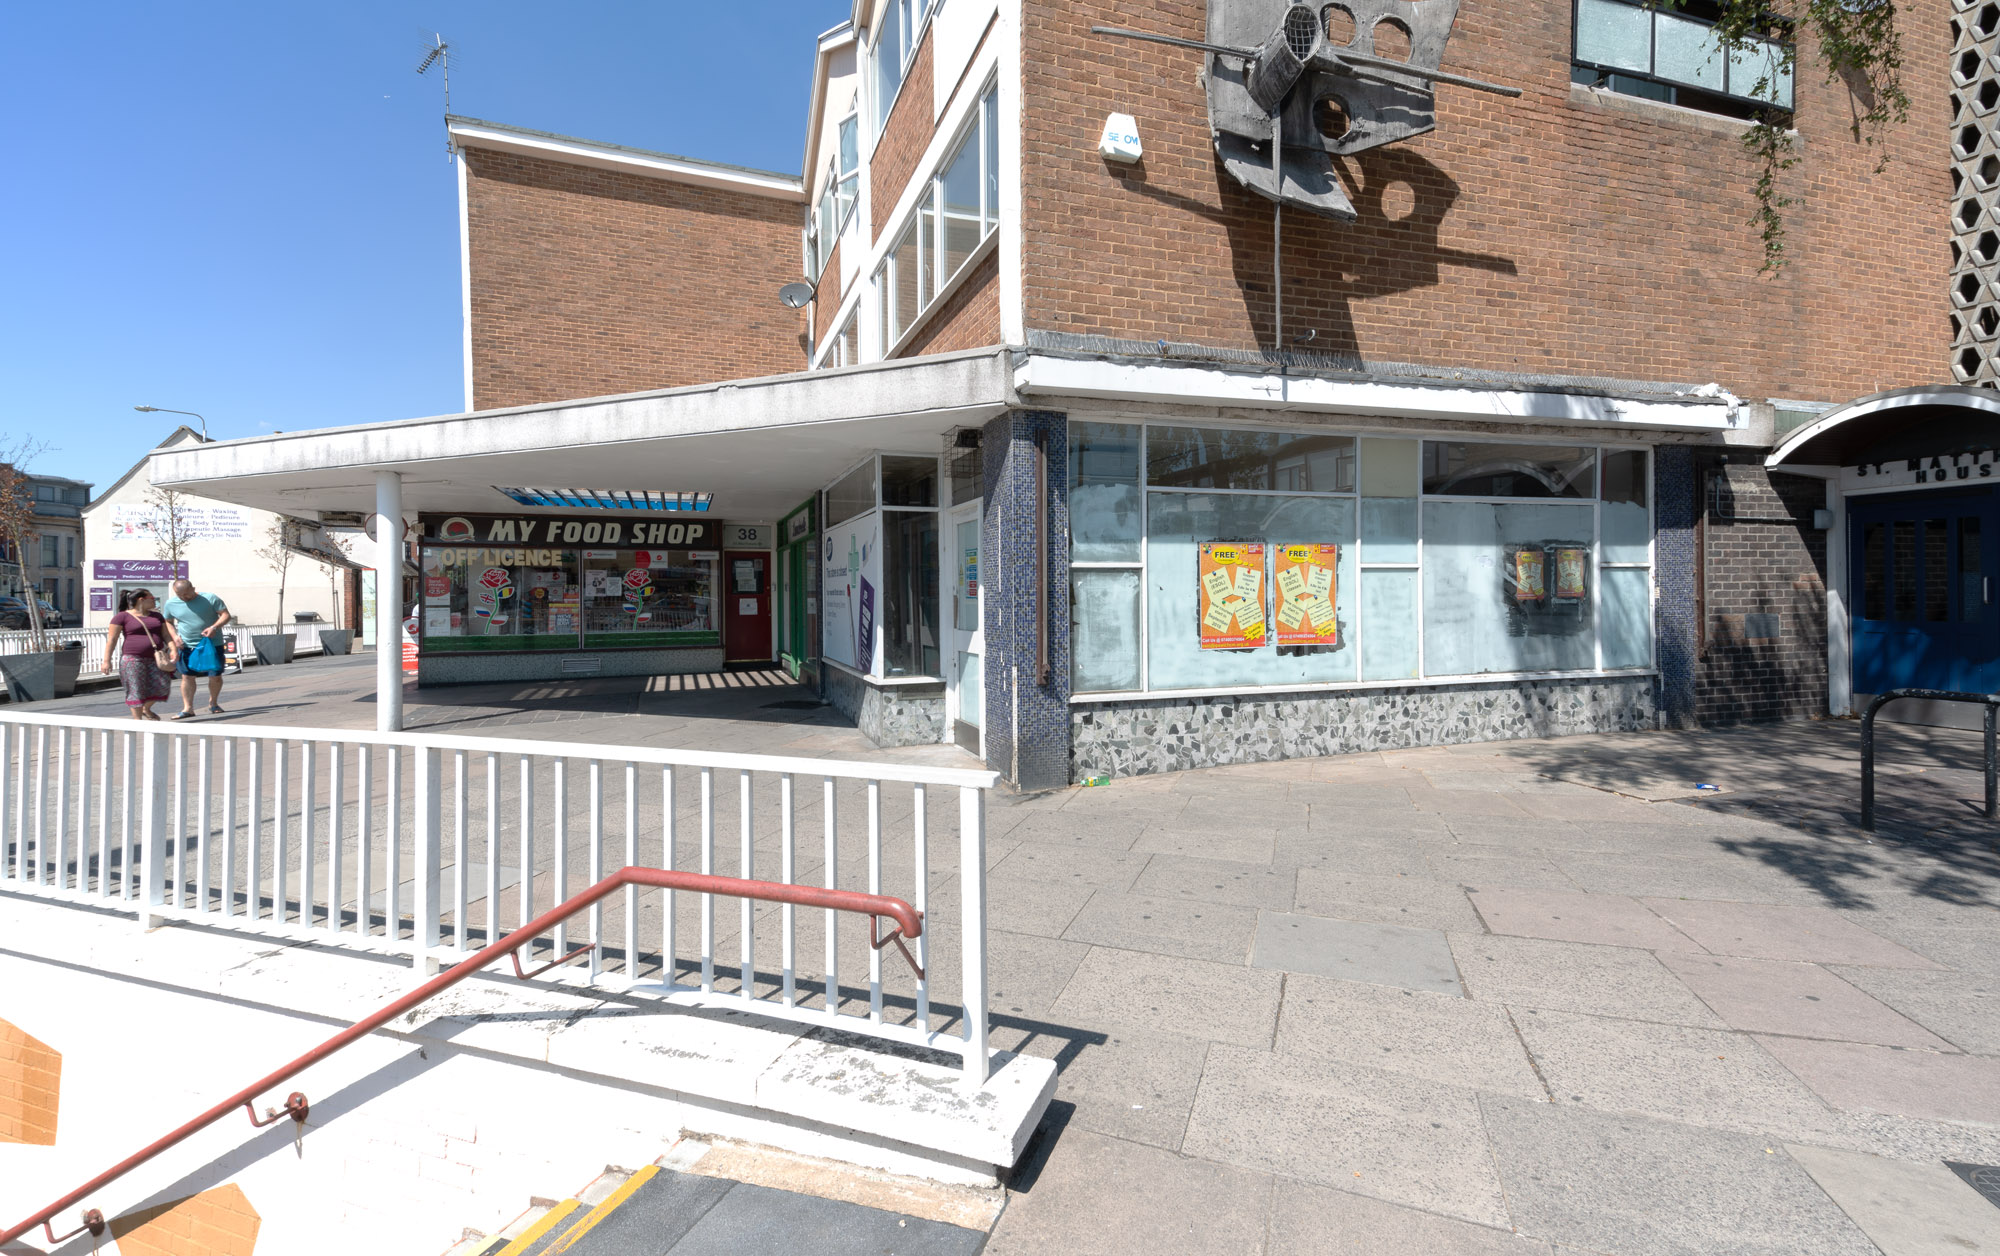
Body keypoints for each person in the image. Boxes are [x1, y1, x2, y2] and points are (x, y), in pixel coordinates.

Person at [104, 589, 181, 721]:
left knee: (162, 686)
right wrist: (107, 660)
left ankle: (146, 709)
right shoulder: (122, 616)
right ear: (141, 600)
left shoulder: (157, 616)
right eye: (152, 598)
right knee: (136, 689)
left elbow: (166, 635)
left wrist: (173, 649)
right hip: (132, 658)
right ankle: (138, 721)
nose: (154, 601)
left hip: (157, 658)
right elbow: (112, 639)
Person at [162, 578, 232, 718]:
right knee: (187, 676)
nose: (184, 597)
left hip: (212, 644)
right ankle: (188, 708)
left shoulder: (210, 598)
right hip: (186, 645)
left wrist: (214, 627)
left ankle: (213, 703)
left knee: (215, 675)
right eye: (179, 595)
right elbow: (168, 622)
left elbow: (225, 615)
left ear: (193, 589)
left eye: (186, 594)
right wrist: (174, 636)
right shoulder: (171, 603)